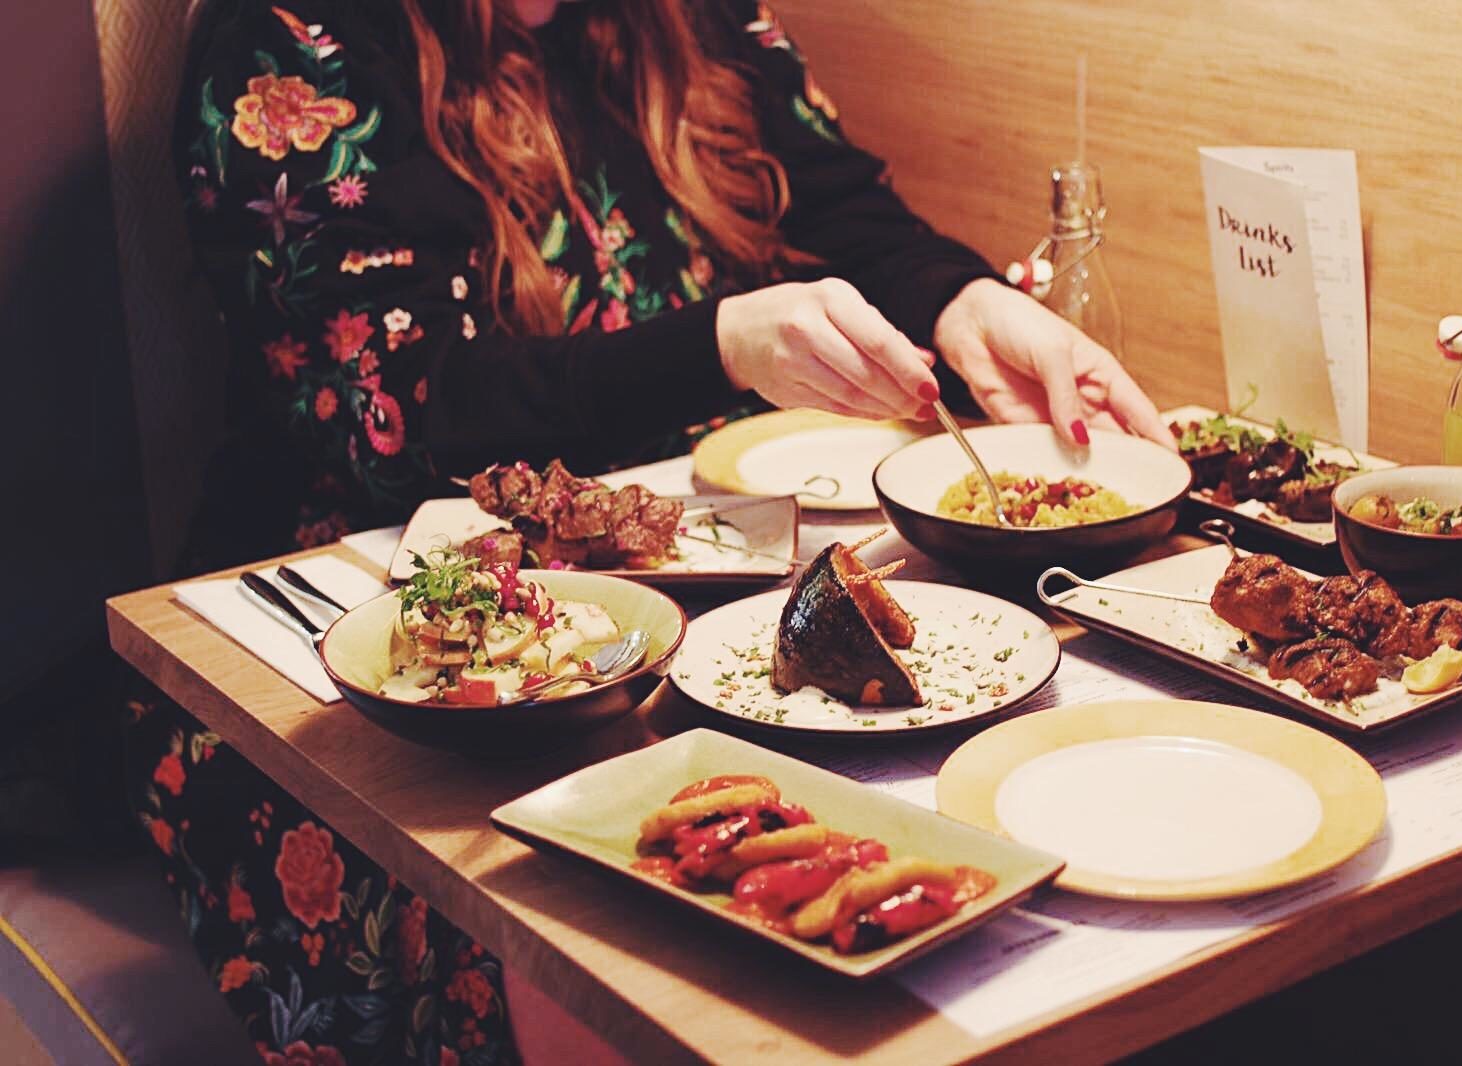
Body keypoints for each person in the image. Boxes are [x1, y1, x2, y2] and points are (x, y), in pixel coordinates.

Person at [132, 0, 1172, 1061]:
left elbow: (847, 211)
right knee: (609, 945)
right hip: (377, 650)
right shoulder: (292, 42)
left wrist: (961, 300)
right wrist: (718, 346)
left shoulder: (692, 17)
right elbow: (402, 414)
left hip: (702, 588)